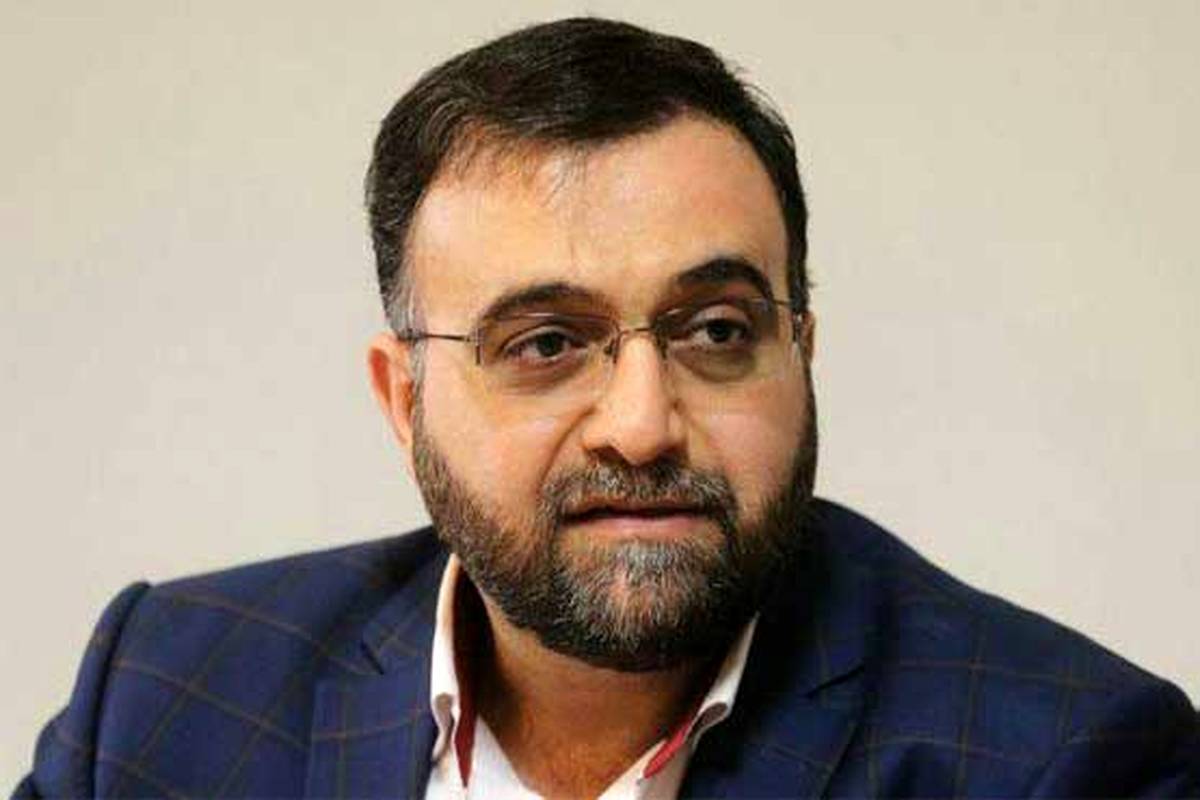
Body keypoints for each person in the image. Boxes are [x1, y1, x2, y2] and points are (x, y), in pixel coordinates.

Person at [14, 16, 1198, 799]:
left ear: (802, 352)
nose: (641, 423)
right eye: (545, 343)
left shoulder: (1068, 760)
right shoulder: (166, 692)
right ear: (403, 397)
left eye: (716, 331)